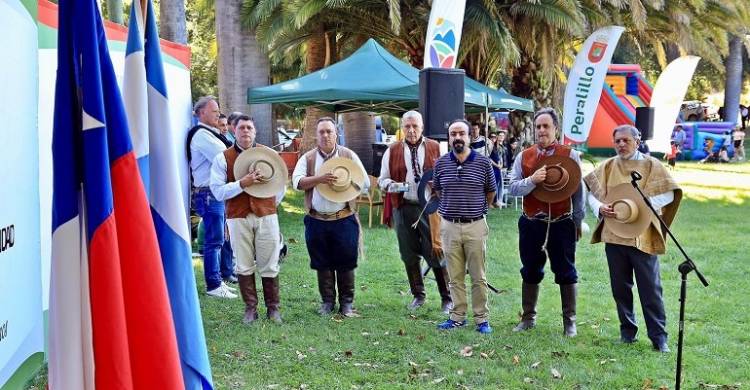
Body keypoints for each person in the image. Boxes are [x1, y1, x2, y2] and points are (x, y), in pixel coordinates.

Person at [584, 124, 682, 353]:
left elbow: (668, 193)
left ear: (637, 141)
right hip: (614, 235)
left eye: (626, 140)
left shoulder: (651, 165)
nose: (621, 145)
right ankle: (627, 332)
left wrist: (643, 207)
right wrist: (600, 209)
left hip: (642, 235)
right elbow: (592, 193)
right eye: (617, 140)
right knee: (620, 288)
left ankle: (659, 338)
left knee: (650, 289)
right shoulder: (608, 166)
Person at [508, 107, 584, 337]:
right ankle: (528, 317)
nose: (541, 130)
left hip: (562, 223)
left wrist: (578, 221)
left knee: (566, 270)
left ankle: (569, 322)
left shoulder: (570, 155)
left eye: (546, 126)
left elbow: (578, 192)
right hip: (531, 222)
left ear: (556, 129)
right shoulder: (525, 156)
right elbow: (512, 188)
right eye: (538, 126)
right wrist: (532, 180)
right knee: (530, 269)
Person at [210, 115, 286, 323]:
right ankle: (250, 308)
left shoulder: (269, 155)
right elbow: (217, 192)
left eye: (249, 128)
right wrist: (241, 184)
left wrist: (268, 205)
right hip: (238, 216)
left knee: (270, 262)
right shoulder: (222, 158)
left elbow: (280, 186)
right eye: (241, 128)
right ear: (234, 131)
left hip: (266, 215)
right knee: (243, 264)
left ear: (255, 131)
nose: (245, 131)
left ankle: (273, 308)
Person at [292, 117, 368, 317]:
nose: (325, 135)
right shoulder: (308, 158)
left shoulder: (348, 156)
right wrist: (320, 179)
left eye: (329, 131)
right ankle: (327, 302)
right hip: (316, 219)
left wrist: (345, 182)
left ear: (336, 134)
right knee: (321, 262)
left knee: (346, 261)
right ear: (316, 135)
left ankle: (347, 304)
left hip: (343, 218)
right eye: (321, 132)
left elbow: (365, 183)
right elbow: (297, 183)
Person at [378, 111, 452, 314]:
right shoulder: (391, 150)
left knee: (436, 250)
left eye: (415, 126)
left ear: (422, 127)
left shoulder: (437, 148)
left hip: (429, 208)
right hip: (402, 207)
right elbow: (382, 179)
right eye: (407, 127)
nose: (411, 130)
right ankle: (418, 295)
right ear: (402, 128)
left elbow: (447, 177)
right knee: (408, 253)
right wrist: (390, 184)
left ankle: (447, 298)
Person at [433, 119, 497, 334]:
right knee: (455, 276)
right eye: (453, 134)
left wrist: (478, 210)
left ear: (470, 137)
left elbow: (490, 192)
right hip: (450, 226)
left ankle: (482, 319)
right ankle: (457, 316)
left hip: (475, 225)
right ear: (449, 138)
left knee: (479, 276)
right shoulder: (441, 164)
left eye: (461, 133)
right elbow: (439, 191)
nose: (457, 137)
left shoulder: (483, 163)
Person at [187, 96, 237, 298]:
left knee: (220, 238)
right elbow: (225, 158)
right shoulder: (201, 135)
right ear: (201, 113)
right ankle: (214, 285)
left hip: (214, 193)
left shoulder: (209, 133)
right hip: (209, 193)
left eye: (218, 111)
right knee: (214, 241)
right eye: (214, 111)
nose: (218, 114)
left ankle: (219, 279)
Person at [488, 132, 507, 208]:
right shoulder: (489, 146)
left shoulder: (496, 146)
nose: (493, 139)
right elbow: (489, 158)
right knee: (493, 185)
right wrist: (497, 165)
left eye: (494, 137)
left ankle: (496, 201)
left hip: (498, 168)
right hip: (493, 168)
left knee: (498, 184)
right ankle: (491, 202)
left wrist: (500, 165)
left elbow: (499, 157)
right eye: (492, 137)